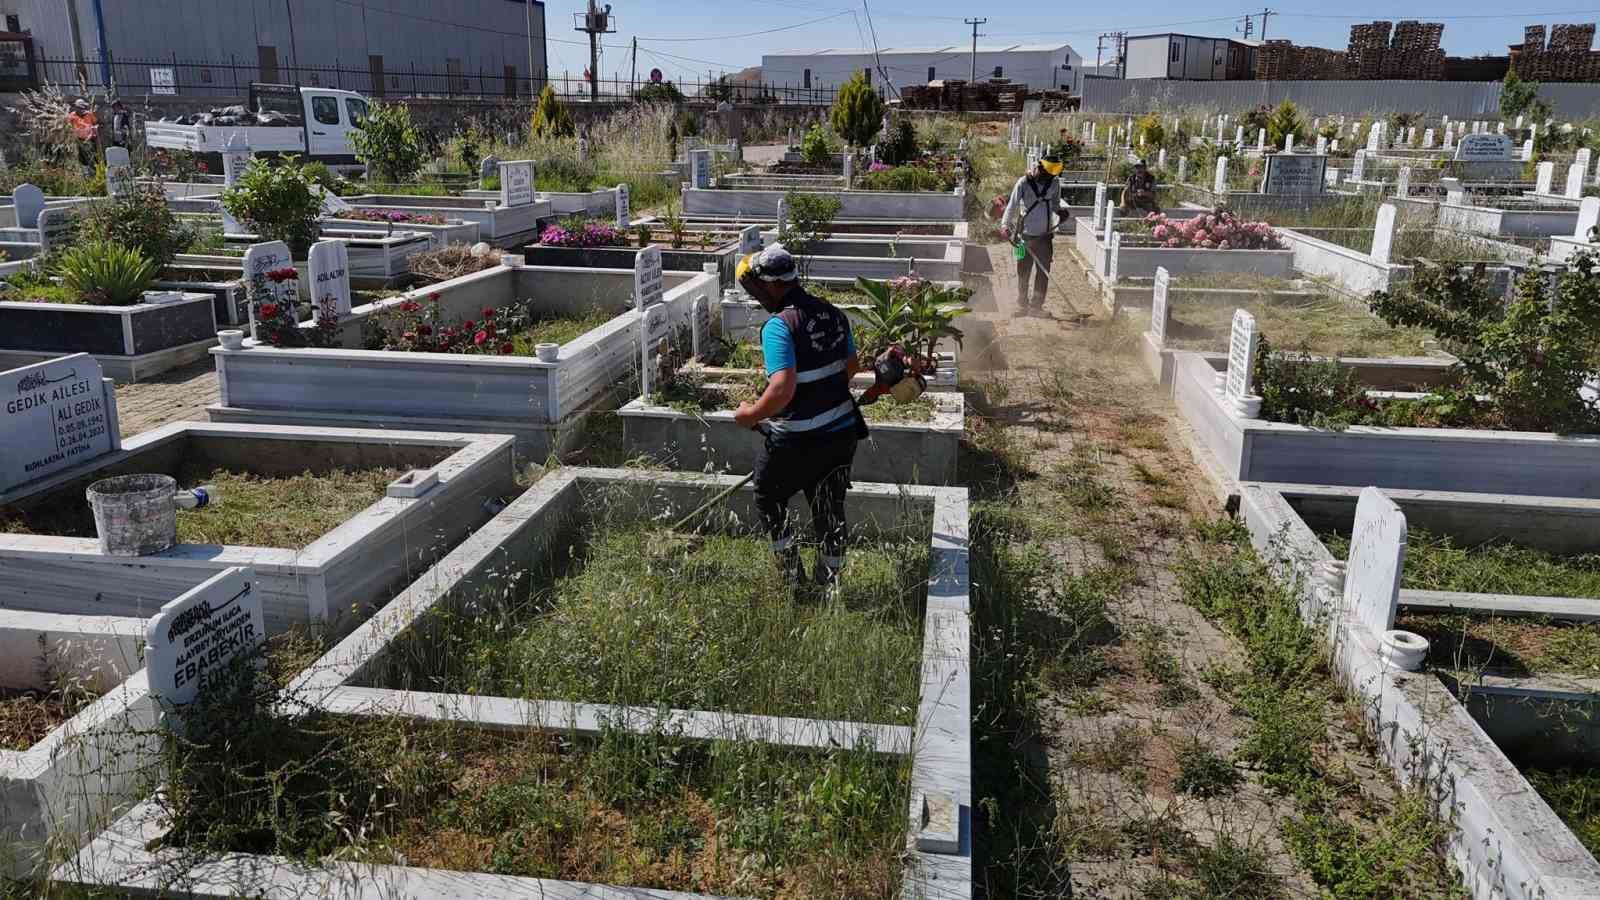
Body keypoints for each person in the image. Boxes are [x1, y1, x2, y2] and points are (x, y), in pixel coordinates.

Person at [733, 244, 869, 589]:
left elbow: (781, 389)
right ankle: (828, 581)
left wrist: (750, 413)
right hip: (842, 432)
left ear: (773, 286)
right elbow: (850, 367)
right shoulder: (832, 312)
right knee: (829, 506)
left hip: (797, 440)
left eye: (758, 286)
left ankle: (792, 578)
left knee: (768, 495)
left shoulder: (779, 327)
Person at [1000, 153, 1063, 317]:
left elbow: (1055, 204)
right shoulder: (1023, 183)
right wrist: (1005, 226)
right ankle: (1022, 305)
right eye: (1047, 172)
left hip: (1045, 237)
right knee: (1023, 270)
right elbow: (1011, 206)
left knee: (1043, 273)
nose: (1049, 176)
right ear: (1040, 167)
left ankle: (1036, 307)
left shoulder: (1054, 183)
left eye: (1052, 173)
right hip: (1022, 238)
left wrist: (1061, 213)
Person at [68, 99, 98, 168]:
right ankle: (85, 170)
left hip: (90, 139)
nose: (81, 109)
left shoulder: (89, 114)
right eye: (79, 108)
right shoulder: (72, 115)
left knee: (92, 156)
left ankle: (94, 170)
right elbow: (68, 126)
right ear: (76, 107)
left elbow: (96, 123)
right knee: (82, 157)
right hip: (79, 139)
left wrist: (94, 131)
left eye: (82, 108)